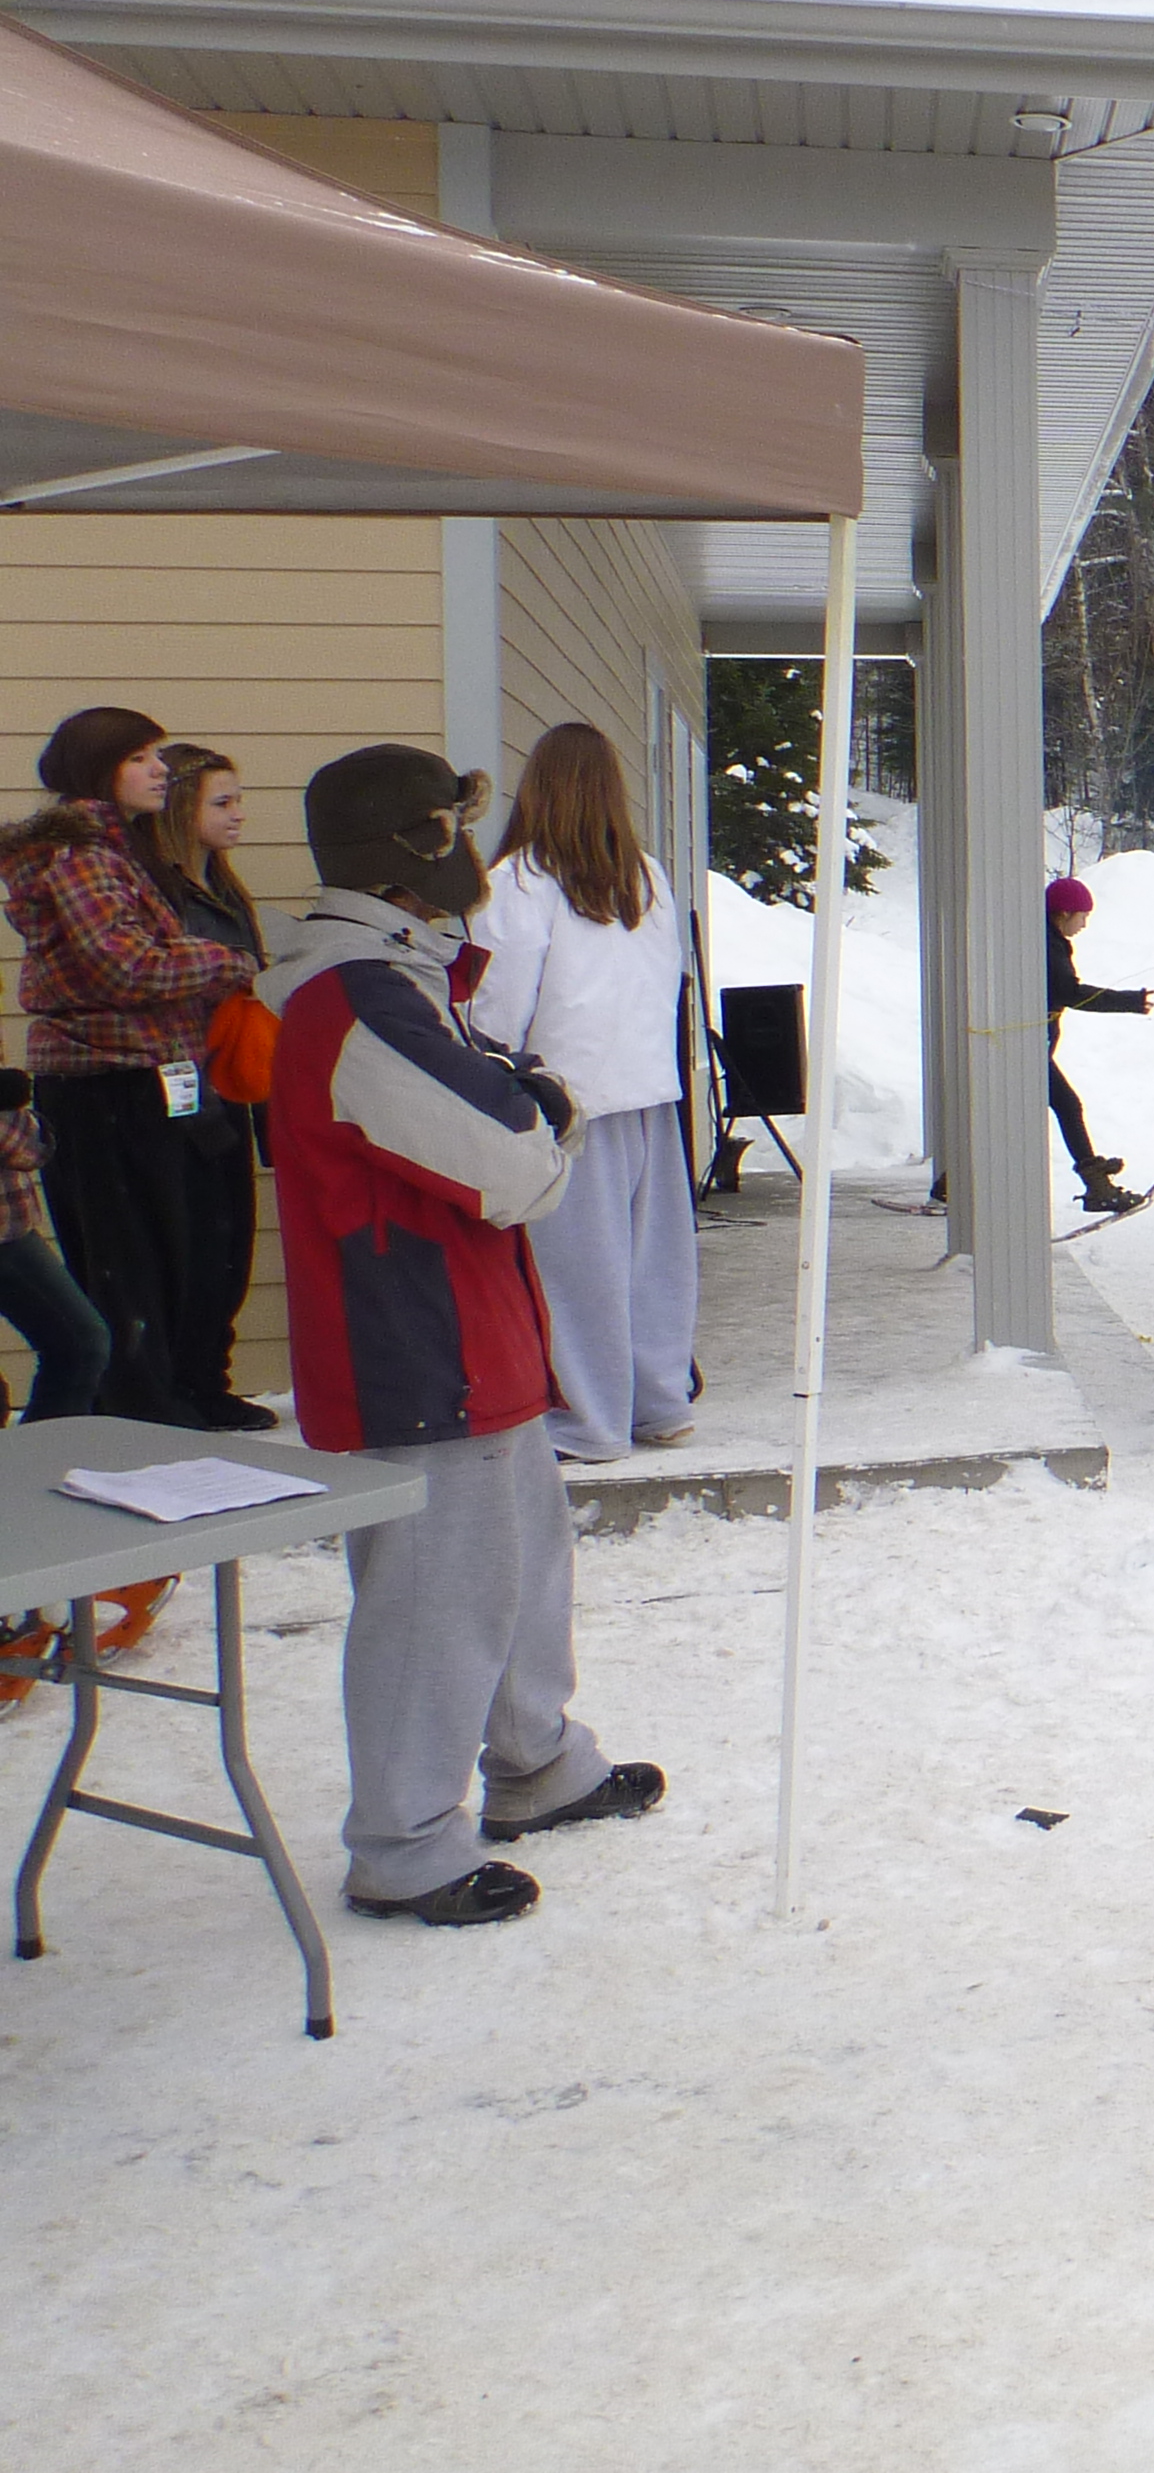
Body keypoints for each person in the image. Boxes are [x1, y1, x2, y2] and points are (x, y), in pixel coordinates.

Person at [264, 743, 660, 1930]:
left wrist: (530, 1106)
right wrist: (544, 1113)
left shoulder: (397, 975)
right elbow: (511, 1162)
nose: (469, 849)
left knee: (521, 1565)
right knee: (435, 1599)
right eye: (447, 826)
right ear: (409, 851)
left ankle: (536, 1762)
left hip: (463, 1332)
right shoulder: (356, 996)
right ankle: (403, 1841)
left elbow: (505, 1108)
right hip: (413, 1342)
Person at [0, 707, 255, 1425]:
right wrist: (227, 961)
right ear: (97, 767)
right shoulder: (80, 855)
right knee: (131, 1259)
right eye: (140, 757)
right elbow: (123, 965)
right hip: (105, 1079)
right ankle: (142, 1418)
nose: (160, 770)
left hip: (154, 1073)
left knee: (179, 1244)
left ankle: (175, 1397)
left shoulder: (118, 847)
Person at [472, 724, 700, 1465]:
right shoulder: (645, 877)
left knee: (577, 1272)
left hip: (566, 1100)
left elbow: (497, 999)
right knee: (653, 1263)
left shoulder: (519, 881)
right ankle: (660, 1402)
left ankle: (588, 1421)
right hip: (648, 1094)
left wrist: (487, 1064)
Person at [137, 741, 276, 1427]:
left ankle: (207, 1380)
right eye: (222, 803)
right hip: (177, 1082)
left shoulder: (224, 888)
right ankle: (180, 1388)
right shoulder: (158, 893)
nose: (238, 815)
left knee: (228, 1243)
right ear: (181, 808)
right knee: (188, 1242)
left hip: (231, 1081)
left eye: (239, 800)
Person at [1038, 875, 1154, 1220]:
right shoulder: (1048, 944)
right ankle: (1097, 1188)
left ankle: (1097, 1186)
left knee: (1062, 1107)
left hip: (1029, 1046)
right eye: (1082, 915)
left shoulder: (1047, 939)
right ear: (1063, 913)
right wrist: (1128, 1001)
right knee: (1067, 1106)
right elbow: (1069, 993)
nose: (1085, 924)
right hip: (1024, 1049)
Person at [0, 1063, 110, 1420]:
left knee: (80, 1345)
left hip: (10, 1229)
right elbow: (24, 1143)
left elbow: (30, 1144)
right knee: (80, 1345)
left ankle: (46, 1449)